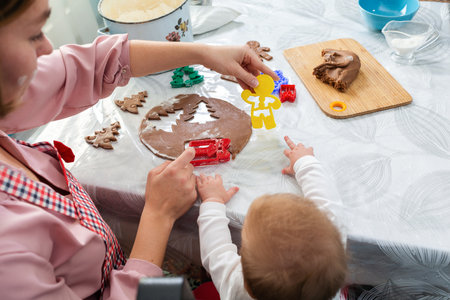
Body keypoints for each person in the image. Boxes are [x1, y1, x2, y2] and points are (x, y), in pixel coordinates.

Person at [0, 0, 278, 299]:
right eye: (33, 35)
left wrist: (203, 53)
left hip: (120, 263)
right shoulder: (8, 259)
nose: (47, 48)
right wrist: (158, 215)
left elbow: (90, 64)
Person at [196, 136, 347, 300]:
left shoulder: (237, 285)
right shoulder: (330, 243)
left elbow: (216, 252)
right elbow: (327, 203)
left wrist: (213, 200)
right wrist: (305, 162)